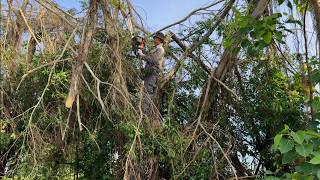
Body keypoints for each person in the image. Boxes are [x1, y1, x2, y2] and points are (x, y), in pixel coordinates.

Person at [137, 32, 165, 118]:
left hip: (153, 74)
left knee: (148, 92)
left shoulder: (160, 50)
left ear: (159, 40)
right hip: (148, 73)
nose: (154, 39)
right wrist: (141, 49)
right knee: (144, 91)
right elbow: (147, 56)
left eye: (155, 38)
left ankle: (144, 113)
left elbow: (153, 60)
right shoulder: (154, 49)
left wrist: (142, 55)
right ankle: (141, 110)